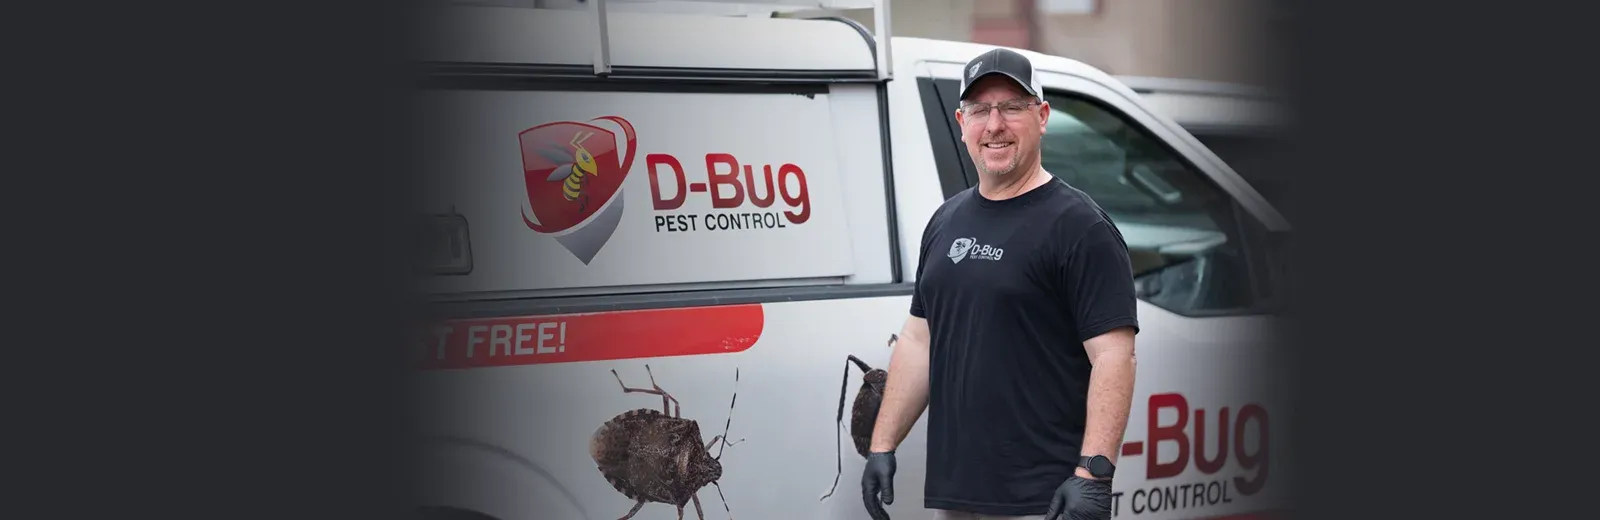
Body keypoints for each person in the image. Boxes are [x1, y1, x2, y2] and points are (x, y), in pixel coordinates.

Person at [860, 47, 1140, 520]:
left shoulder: (1080, 227)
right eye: (980, 110)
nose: (994, 125)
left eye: (1012, 107)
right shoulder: (946, 221)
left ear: (1042, 116)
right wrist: (882, 444)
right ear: (961, 121)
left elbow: (1114, 356)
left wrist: (1093, 474)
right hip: (957, 493)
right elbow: (919, 340)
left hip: (1043, 499)